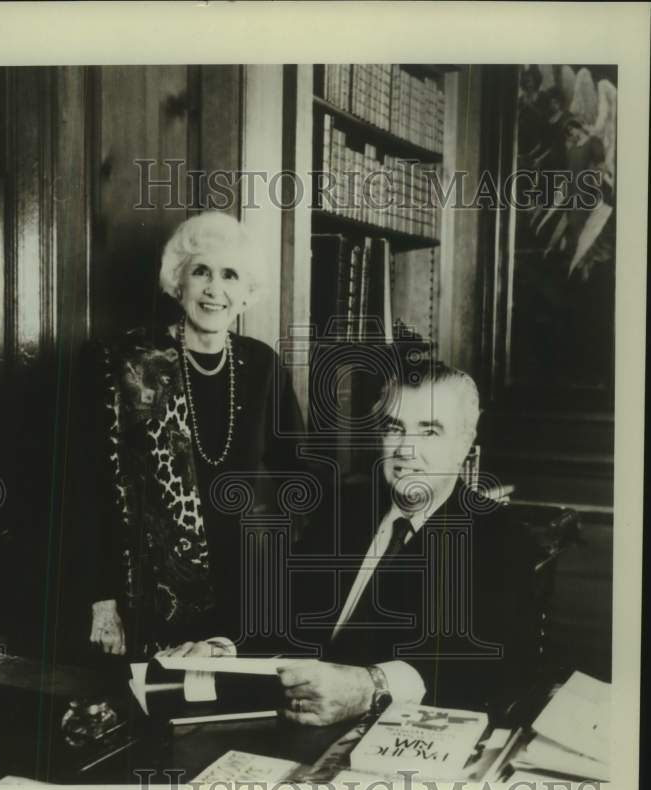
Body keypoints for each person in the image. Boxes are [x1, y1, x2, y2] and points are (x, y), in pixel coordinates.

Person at [84, 211, 304, 660]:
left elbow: (303, 473)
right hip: (143, 599)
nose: (214, 289)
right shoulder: (122, 361)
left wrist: (290, 570)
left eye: (230, 275)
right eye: (200, 271)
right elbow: (86, 490)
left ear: (246, 293)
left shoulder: (262, 366)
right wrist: (101, 602)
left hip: (242, 594)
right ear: (177, 281)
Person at [278, 358, 538, 727]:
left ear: (465, 442)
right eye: (395, 428)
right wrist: (223, 648)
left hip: (399, 741)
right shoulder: (344, 511)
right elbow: (282, 609)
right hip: (286, 722)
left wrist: (369, 688)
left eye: (429, 432)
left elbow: (479, 667)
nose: (405, 450)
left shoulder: (500, 540)